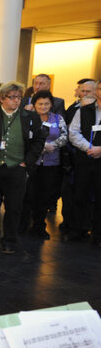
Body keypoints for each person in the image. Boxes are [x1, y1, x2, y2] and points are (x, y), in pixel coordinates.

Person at [0, 81, 45, 254]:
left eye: (19, 97)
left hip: (17, 169)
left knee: (14, 207)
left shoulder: (30, 117)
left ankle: (10, 241)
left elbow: (39, 141)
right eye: (12, 97)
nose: (16, 101)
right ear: (2, 98)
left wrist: (27, 161)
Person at [19, 90, 67, 239]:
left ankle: (39, 227)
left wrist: (52, 145)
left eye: (47, 103)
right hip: (31, 163)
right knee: (27, 195)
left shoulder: (57, 118)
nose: (43, 106)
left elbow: (65, 136)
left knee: (44, 197)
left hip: (50, 164)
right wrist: (38, 147)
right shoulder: (27, 118)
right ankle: (22, 226)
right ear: (34, 104)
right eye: (40, 103)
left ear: (51, 104)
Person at [64, 79, 101, 246]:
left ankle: (98, 234)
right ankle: (77, 230)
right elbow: (73, 132)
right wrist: (89, 148)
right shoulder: (84, 110)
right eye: (100, 89)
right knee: (80, 195)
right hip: (84, 159)